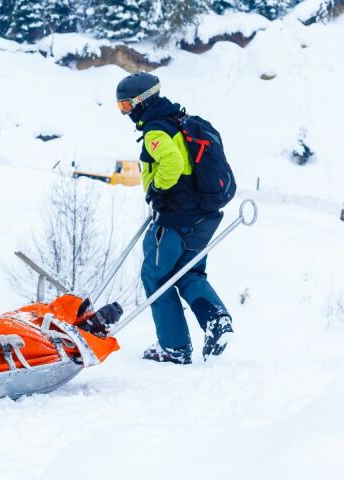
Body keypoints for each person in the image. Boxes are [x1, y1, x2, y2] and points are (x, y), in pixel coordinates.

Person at [116, 72, 232, 365]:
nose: (125, 113)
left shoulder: (156, 130)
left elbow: (172, 162)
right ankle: (216, 319)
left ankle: (174, 347)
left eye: (126, 107)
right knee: (189, 272)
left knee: (156, 276)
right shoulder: (179, 121)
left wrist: (156, 188)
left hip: (175, 219)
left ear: (142, 101)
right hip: (204, 215)